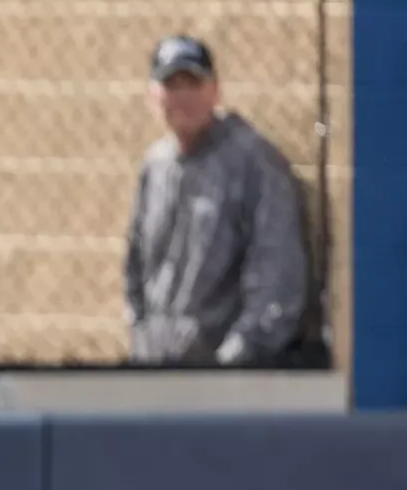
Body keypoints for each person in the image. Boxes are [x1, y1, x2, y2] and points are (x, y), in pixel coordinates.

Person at [125, 35, 321, 366]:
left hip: (229, 379)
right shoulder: (154, 167)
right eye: (171, 85)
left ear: (215, 91)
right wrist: (141, 340)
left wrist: (232, 363)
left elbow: (277, 278)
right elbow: (134, 268)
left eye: (193, 83)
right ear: (152, 96)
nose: (183, 96)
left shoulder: (254, 164)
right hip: (156, 370)